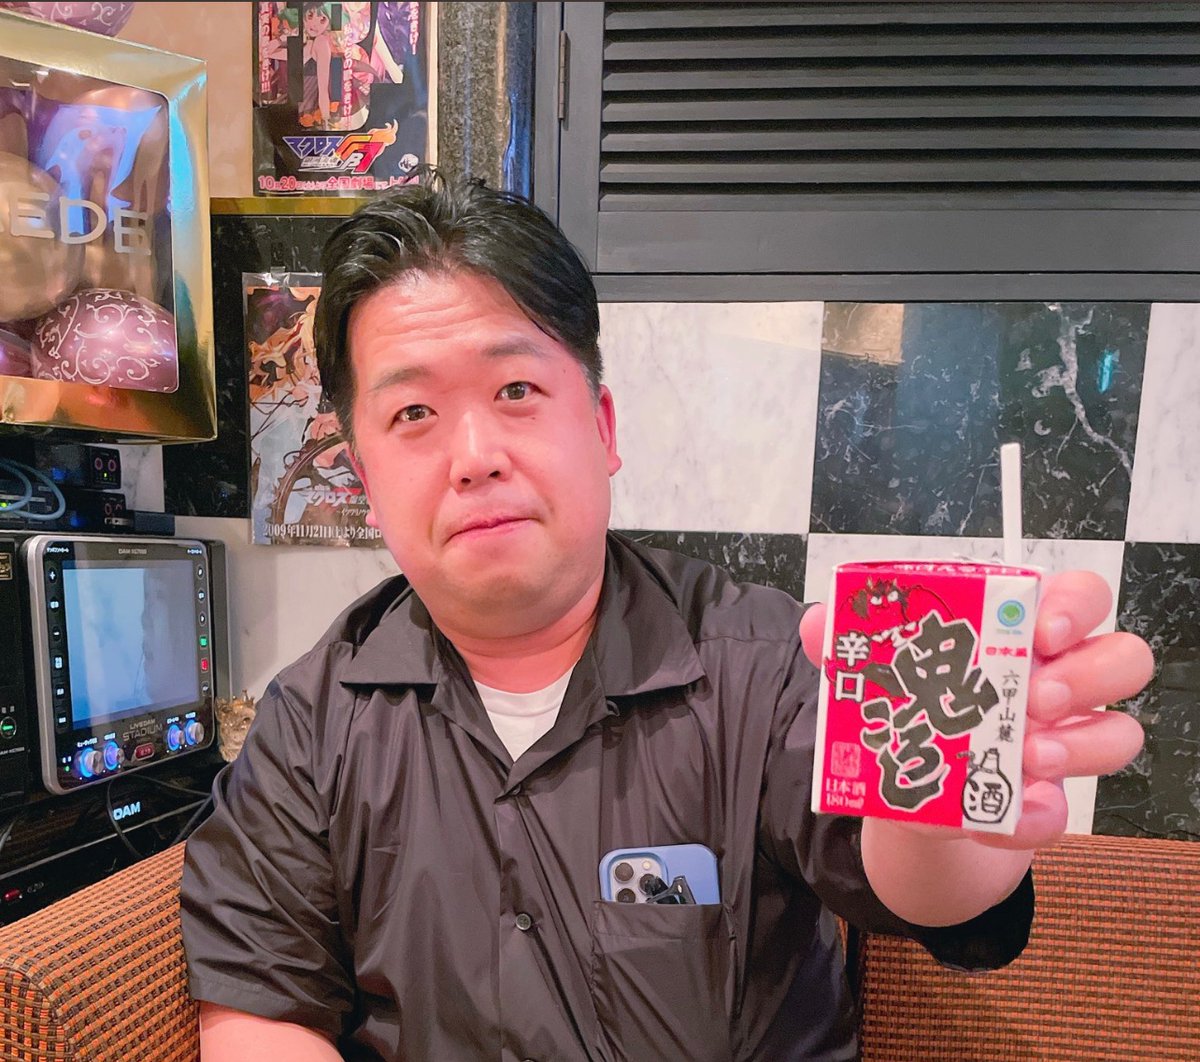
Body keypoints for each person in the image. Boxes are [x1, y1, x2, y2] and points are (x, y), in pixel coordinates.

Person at [180, 172, 1152, 1062]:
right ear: (361, 475)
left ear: (601, 428)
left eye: (516, 390)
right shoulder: (311, 722)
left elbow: (920, 885)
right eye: (413, 416)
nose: (473, 456)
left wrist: (951, 798)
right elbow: (261, 1009)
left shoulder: (758, 662)